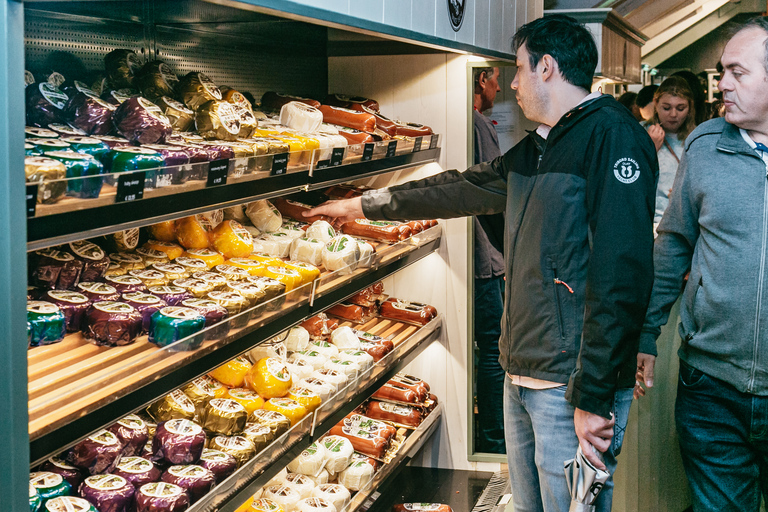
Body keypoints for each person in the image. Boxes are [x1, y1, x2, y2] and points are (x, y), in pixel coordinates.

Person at [306, 15, 658, 512]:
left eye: (518, 69)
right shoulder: (542, 143)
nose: (511, 83)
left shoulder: (612, 138)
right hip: (523, 371)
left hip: (569, 384)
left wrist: (595, 395)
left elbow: (622, 274)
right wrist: (364, 205)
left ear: (548, 67)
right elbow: (463, 187)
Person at [635, 16, 768, 512]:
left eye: (737, 72)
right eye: (721, 71)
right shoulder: (706, 144)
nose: (723, 84)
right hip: (711, 388)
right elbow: (673, 244)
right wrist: (647, 331)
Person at [471, 66, 506, 454]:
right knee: (492, 351)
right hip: (485, 258)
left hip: (484, 256)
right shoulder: (478, 125)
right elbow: (494, 196)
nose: (503, 85)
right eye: (496, 76)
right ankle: (494, 442)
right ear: (482, 79)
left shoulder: (477, 123)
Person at [645, 76, 696, 230]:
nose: (673, 114)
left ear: (690, 108)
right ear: (656, 104)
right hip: (651, 220)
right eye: (666, 108)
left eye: (680, 108)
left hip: (685, 223)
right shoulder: (639, 133)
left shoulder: (698, 138)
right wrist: (649, 149)